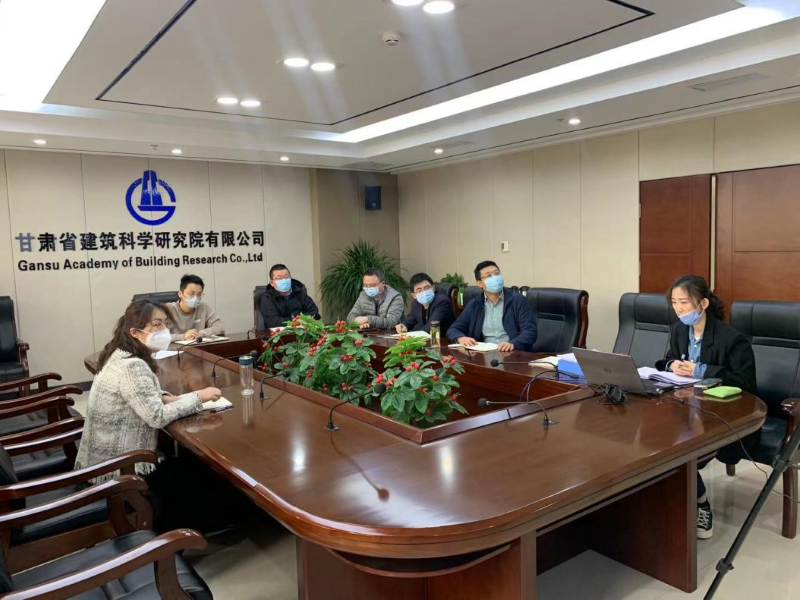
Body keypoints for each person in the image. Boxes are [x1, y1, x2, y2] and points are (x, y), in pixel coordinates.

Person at [74, 301, 223, 528]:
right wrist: (198, 397)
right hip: (120, 469)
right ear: (135, 332)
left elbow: (136, 393)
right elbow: (156, 417)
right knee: (201, 485)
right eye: (157, 324)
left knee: (190, 471)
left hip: (99, 463)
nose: (164, 330)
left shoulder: (117, 353)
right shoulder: (132, 366)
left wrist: (164, 397)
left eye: (166, 323)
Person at [655, 274, 756, 540]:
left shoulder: (731, 338)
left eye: (684, 302)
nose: (678, 309)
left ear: (703, 303)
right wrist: (672, 365)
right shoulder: (679, 331)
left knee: (681, 454)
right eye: (674, 302)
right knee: (656, 443)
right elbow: (668, 359)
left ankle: (701, 504)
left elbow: (745, 382)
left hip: (722, 413)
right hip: (684, 407)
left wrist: (700, 370)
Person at [446, 261, 537, 352]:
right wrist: (460, 338)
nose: (495, 278)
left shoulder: (518, 300)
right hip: (483, 354)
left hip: (511, 353)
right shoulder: (474, 304)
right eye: (489, 275)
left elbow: (530, 331)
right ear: (480, 283)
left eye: (497, 273)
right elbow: (453, 329)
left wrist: (513, 343)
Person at [166, 274, 224, 342]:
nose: (196, 298)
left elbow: (220, 328)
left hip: (198, 347)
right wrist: (183, 336)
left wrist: (199, 334)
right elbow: (157, 336)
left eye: (199, 294)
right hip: (174, 348)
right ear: (180, 294)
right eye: (191, 293)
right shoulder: (167, 309)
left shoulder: (204, 307)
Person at [260, 264, 321, 328]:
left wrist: (302, 320)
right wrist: (295, 321)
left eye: (286, 277)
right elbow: (273, 322)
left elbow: (314, 312)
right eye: (279, 278)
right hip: (280, 332)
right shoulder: (267, 298)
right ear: (272, 283)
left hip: (303, 330)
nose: (284, 280)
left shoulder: (299, 291)